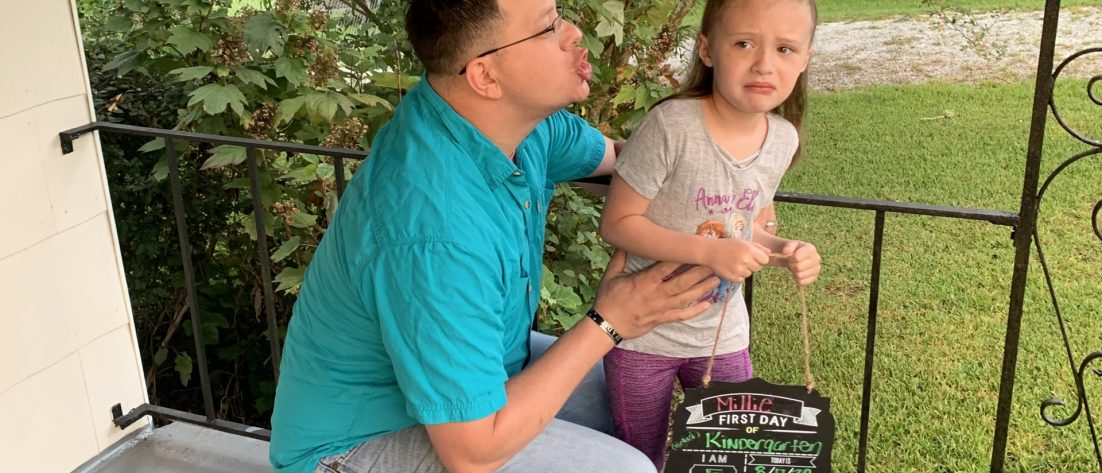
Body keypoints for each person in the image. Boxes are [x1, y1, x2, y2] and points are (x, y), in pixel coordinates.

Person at [268, 1, 722, 472]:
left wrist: (728, 184)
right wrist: (611, 319)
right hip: (353, 444)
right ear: (485, 76)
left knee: (618, 386)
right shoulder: (433, 229)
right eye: (547, 28)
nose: (573, 33)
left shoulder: (516, 123)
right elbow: (472, 453)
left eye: (559, 13)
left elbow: (629, 165)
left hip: (468, 379)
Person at [598, 0, 822, 469]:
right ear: (707, 49)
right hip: (642, 336)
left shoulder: (783, 138)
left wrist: (785, 250)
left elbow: (749, 225)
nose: (764, 64)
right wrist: (709, 251)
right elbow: (617, 223)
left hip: (723, 335)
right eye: (743, 43)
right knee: (641, 458)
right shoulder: (672, 126)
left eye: (785, 48)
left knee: (732, 455)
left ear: (804, 59)